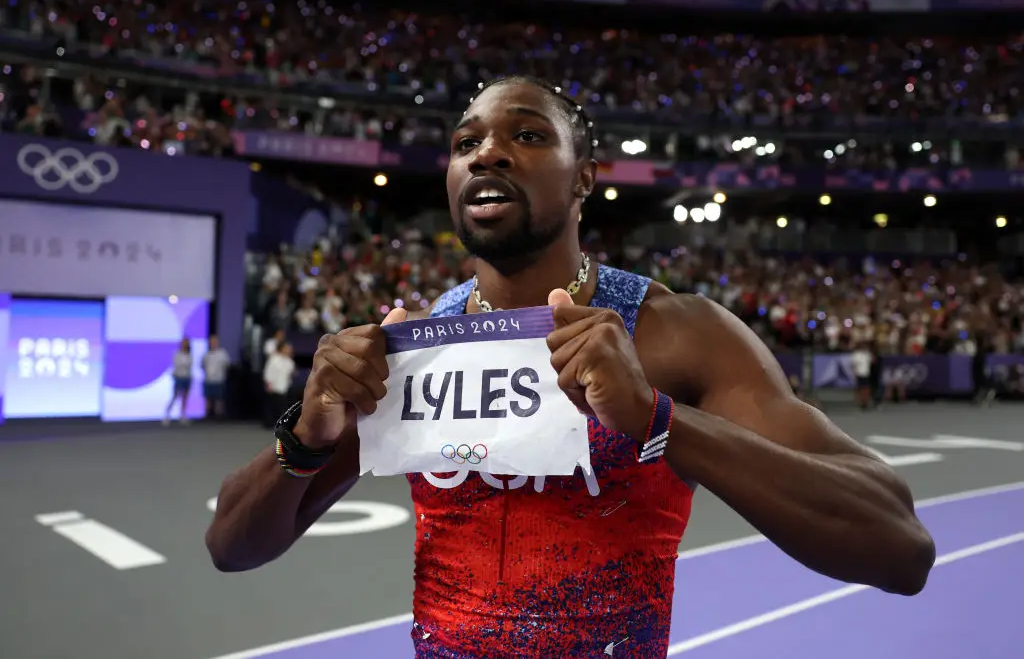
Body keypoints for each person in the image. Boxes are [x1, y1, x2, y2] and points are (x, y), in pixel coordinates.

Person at [206, 76, 936, 657]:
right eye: (467, 143)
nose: (487, 153)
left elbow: (900, 549)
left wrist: (659, 421)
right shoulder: (417, 347)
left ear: (584, 178)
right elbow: (231, 549)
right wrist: (305, 435)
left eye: (526, 135)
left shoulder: (674, 334)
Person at [163, 337, 192, 426]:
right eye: (183, 342)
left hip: (187, 377)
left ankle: (183, 415)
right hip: (179, 377)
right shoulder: (177, 354)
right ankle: (167, 415)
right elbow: (177, 365)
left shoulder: (189, 355)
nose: (185, 344)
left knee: (184, 398)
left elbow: (189, 365)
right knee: (175, 396)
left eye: (186, 343)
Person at [201, 334, 231, 419]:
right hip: (208, 380)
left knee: (219, 399)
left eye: (215, 342)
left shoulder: (222, 353)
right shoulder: (206, 355)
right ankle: (208, 415)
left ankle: (219, 416)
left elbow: (227, 365)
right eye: (211, 342)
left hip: (219, 379)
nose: (213, 343)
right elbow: (202, 365)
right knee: (208, 399)